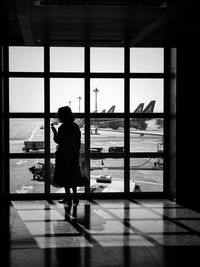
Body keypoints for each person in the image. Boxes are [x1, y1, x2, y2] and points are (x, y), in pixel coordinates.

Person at [51, 106, 81, 206]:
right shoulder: (75, 126)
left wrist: (54, 132)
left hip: (64, 155)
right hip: (73, 154)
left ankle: (68, 196)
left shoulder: (63, 127)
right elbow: (78, 141)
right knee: (73, 175)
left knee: (65, 175)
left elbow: (58, 140)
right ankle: (75, 197)